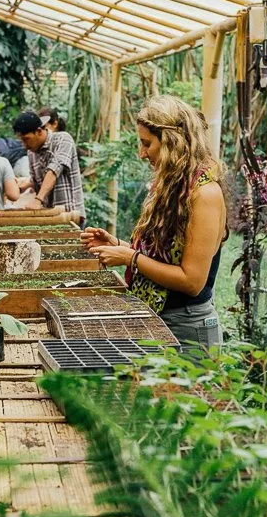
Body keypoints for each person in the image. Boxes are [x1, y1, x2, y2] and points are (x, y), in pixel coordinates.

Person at [82, 95, 227, 351]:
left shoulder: (204, 195)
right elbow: (164, 259)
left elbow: (192, 281)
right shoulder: (171, 188)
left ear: (172, 142)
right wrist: (116, 245)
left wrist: (130, 258)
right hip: (158, 319)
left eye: (146, 144)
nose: (141, 153)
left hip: (187, 331)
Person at [13, 110, 85, 222]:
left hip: (70, 215)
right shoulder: (31, 153)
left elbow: (54, 170)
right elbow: (36, 181)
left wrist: (38, 200)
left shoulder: (63, 139)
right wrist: (17, 186)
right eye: (22, 141)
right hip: (49, 217)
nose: (25, 146)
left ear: (39, 131)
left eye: (26, 139)